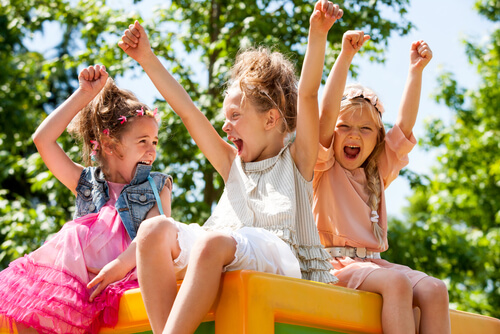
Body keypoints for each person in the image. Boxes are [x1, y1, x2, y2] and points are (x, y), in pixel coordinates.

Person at [119, 1, 342, 333]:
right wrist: (147, 59)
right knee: (153, 230)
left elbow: (308, 95)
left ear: (271, 118)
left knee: (214, 243)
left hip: (279, 258)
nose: (226, 126)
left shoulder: (297, 160)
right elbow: (188, 112)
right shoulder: (231, 163)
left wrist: (318, 34)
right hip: (227, 247)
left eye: (235, 116)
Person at [0, 65, 173, 334]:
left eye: (154, 141)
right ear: (109, 145)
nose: (152, 150)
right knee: (30, 308)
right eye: (142, 141)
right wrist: (84, 94)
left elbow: (153, 236)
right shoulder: (86, 183)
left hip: (126, 274)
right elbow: (43, 140)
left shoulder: (156, 185)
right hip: (82, 282)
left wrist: (117, 268)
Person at [313, 30, 450, 333]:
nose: (353, 134)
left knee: (435, 289)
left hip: (375, 266)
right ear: (332, 133)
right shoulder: (322, 167)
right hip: (330, 264)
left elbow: (403, 127)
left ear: (376, 139)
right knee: (398, 282)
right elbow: (325, 114)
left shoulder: (376, 171)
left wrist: (416, 72)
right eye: (345, 126)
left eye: (364, 129)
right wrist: (345, 57)